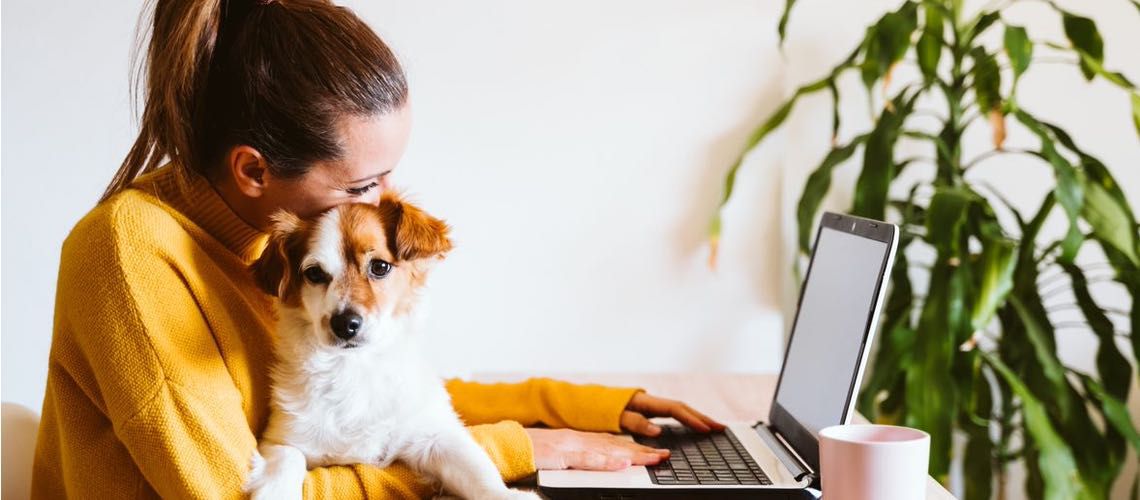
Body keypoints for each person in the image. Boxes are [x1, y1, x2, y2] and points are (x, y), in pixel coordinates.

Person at [32, 0, 725, 498]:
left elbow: (377, 404)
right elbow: (227, 492)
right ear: (253, 172)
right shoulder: (131, 254)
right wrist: (514, 452)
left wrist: (573, 406)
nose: (384, 202)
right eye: (364, 182)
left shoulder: (273, 247)